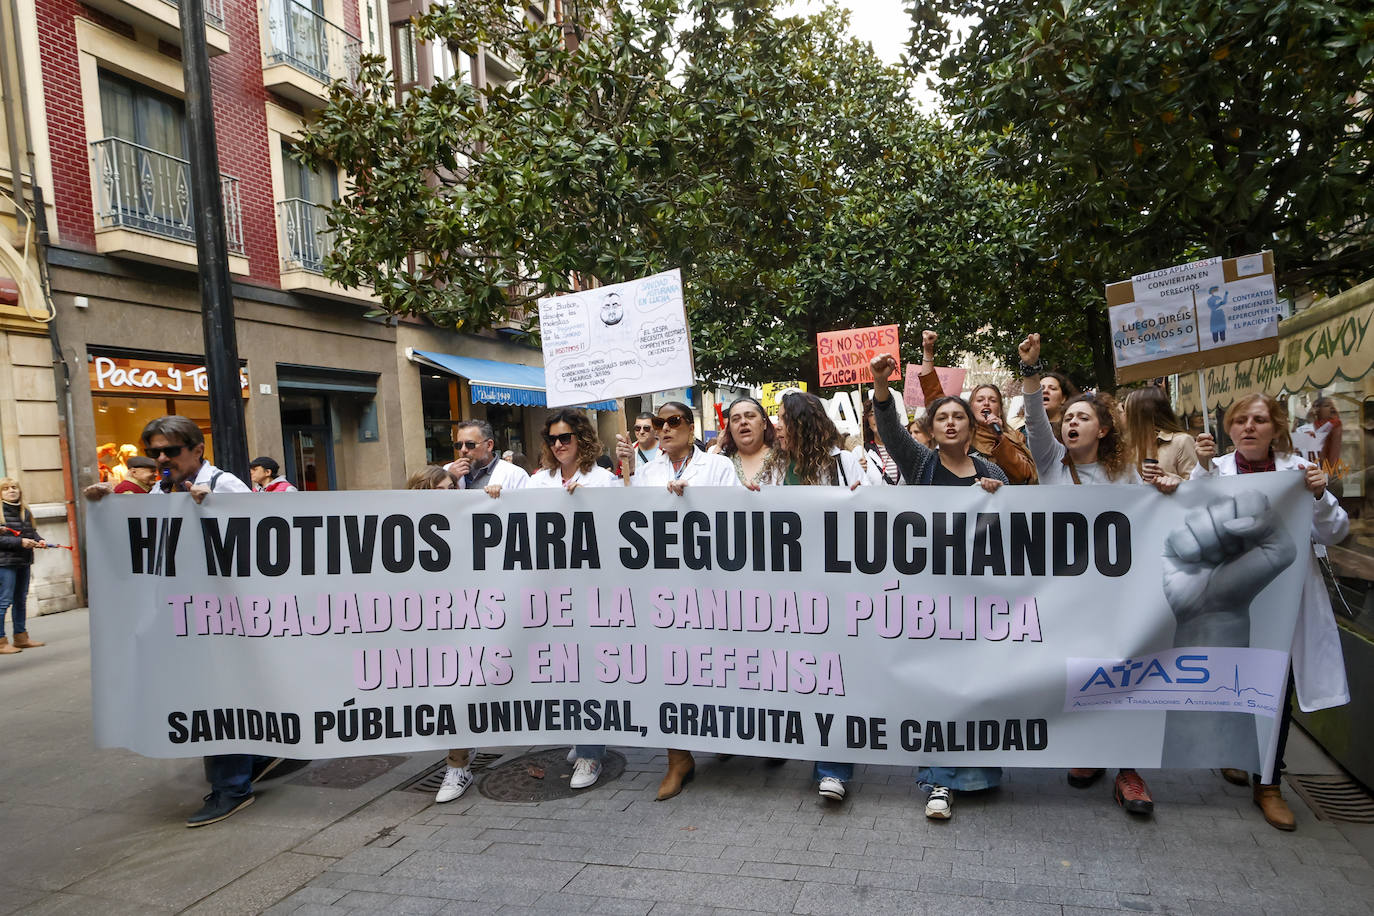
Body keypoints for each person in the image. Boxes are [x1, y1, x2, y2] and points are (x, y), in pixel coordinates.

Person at [83, 416, 307, 826]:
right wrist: (109, 508)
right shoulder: (158, 491)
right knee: (208, 696)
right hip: (180, 616)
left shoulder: (225, 486)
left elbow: (267, 544)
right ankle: (256, 754)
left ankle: (231, 789)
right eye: (155, 453)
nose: (163, 458)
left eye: (171, 450)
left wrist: (218, 511)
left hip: (225, 619)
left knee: (214, 699)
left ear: (197, 449)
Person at [1018, 333, 1179, 818]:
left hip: (1119, 596)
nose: (1070, 423)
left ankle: (1129, 770)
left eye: (1082, 418)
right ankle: (1089, 752)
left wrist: (1174, 489)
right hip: (1068, 594)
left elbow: (1157, 518)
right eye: (1067, 418)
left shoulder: (1127, 476)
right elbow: (1033, 422)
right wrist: (1030, 369)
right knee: (1083, 671)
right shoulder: (1049, 464)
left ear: (1104, 430)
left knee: (1125, 672)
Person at [1191, 393, 1350, 831]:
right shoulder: (1216, 470)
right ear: (1228, 428)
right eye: (1240, 420)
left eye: (1258, 420)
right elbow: (1188, 516)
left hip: (1286, 601)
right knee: (1231, 680)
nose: (1248, 427)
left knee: (1278, 691)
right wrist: (1199, 472)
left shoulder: (1299, 473)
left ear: (1276, 428)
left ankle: (1269, 783)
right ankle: (1234, 751)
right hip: (1233, 599)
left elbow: (1336, 532)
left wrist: (1319, 496)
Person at [868, 349, 1007, 818]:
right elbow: (887, 428)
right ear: (931, 428)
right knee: (939, 690)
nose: (950, 423)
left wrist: (997, 501)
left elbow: (1011, 533)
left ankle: (976, 774)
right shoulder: (921, 464)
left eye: (957, 417)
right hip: (931, 599)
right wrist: (881, 385)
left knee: (974, 687)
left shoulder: (994, 473)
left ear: (971, 428)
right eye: (941, 417)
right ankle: (938, 782)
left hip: (980, 601)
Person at [616, 401, 739, 799]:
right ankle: (677, 757)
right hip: (662, 586)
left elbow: (736, 518)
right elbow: (630, 526)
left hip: (709, 584)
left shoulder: (717, 467)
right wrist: (626, 480)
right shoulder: (645, 472)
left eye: (674, 422)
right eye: (658, 423)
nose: (665, 429)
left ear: (690, 425)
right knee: (669, 669)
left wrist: (694, 501)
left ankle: (721, 732)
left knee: (713, 662)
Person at [525, 409, 619, 788]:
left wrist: (592, 500)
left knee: (587, 670)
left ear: (582, 438)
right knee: (562, 669)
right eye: (552, 439)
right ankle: (583, 733)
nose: (559, 444)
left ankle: (591, 753)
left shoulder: (603, 481)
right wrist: (496, 497)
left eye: (566, 437)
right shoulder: (538, 482)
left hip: (590, 591)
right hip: (548, 591)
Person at [405, 465, 481, 802]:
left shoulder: (469, 518)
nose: (450, 493)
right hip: (426, 624)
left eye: (453, 487)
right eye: (441, 489)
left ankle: (457, 764)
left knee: (458, 692)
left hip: (465, 619)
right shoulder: (405, 528)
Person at [913, 331, 1036, 484]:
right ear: (970, 408)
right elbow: (933, 395)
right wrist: (928, 352)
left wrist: (1000, 439)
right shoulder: (963, 432)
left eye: (992, 400)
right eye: (980, 400)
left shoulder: (1014, 437)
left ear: (999, 408)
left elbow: (1023, 475)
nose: (986, 403)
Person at [0, 477, 46, 655]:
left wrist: (38, 540)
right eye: (6, 488)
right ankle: (1, 641)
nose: (11, 490)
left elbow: (30, 531)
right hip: (5, 563)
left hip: (23, 561)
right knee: (4, 601)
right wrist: (20, 542)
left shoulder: (24, 510)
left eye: (14, 487)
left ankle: (21, 637)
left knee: (21, 599)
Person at [1124, 386, 1197, 480]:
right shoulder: (1129, 448)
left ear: (1141, 416)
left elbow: (1196, 486)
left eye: (1128, 413)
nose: (1125, 417)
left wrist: (1170, 479)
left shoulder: (1181, 441)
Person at [446, 420, 529, 495]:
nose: (463, 450)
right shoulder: (448, 471)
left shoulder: (515, 474)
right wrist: (449, 480)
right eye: (459, 445)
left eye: (470, 444)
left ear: (489, 445)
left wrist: (504, 497)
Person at [717, 396, 778, 488]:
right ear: (729, 429)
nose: (743, 422)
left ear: (764, 423)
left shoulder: (783, 459)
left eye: (750, 416)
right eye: (736, 419)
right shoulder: (719, 463)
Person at [1039, 371, 1080, 443]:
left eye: (1052, 388)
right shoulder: (1021, 428)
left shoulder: (1073, 427)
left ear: (1063, 398)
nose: (1045, 391)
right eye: (1041, 389)